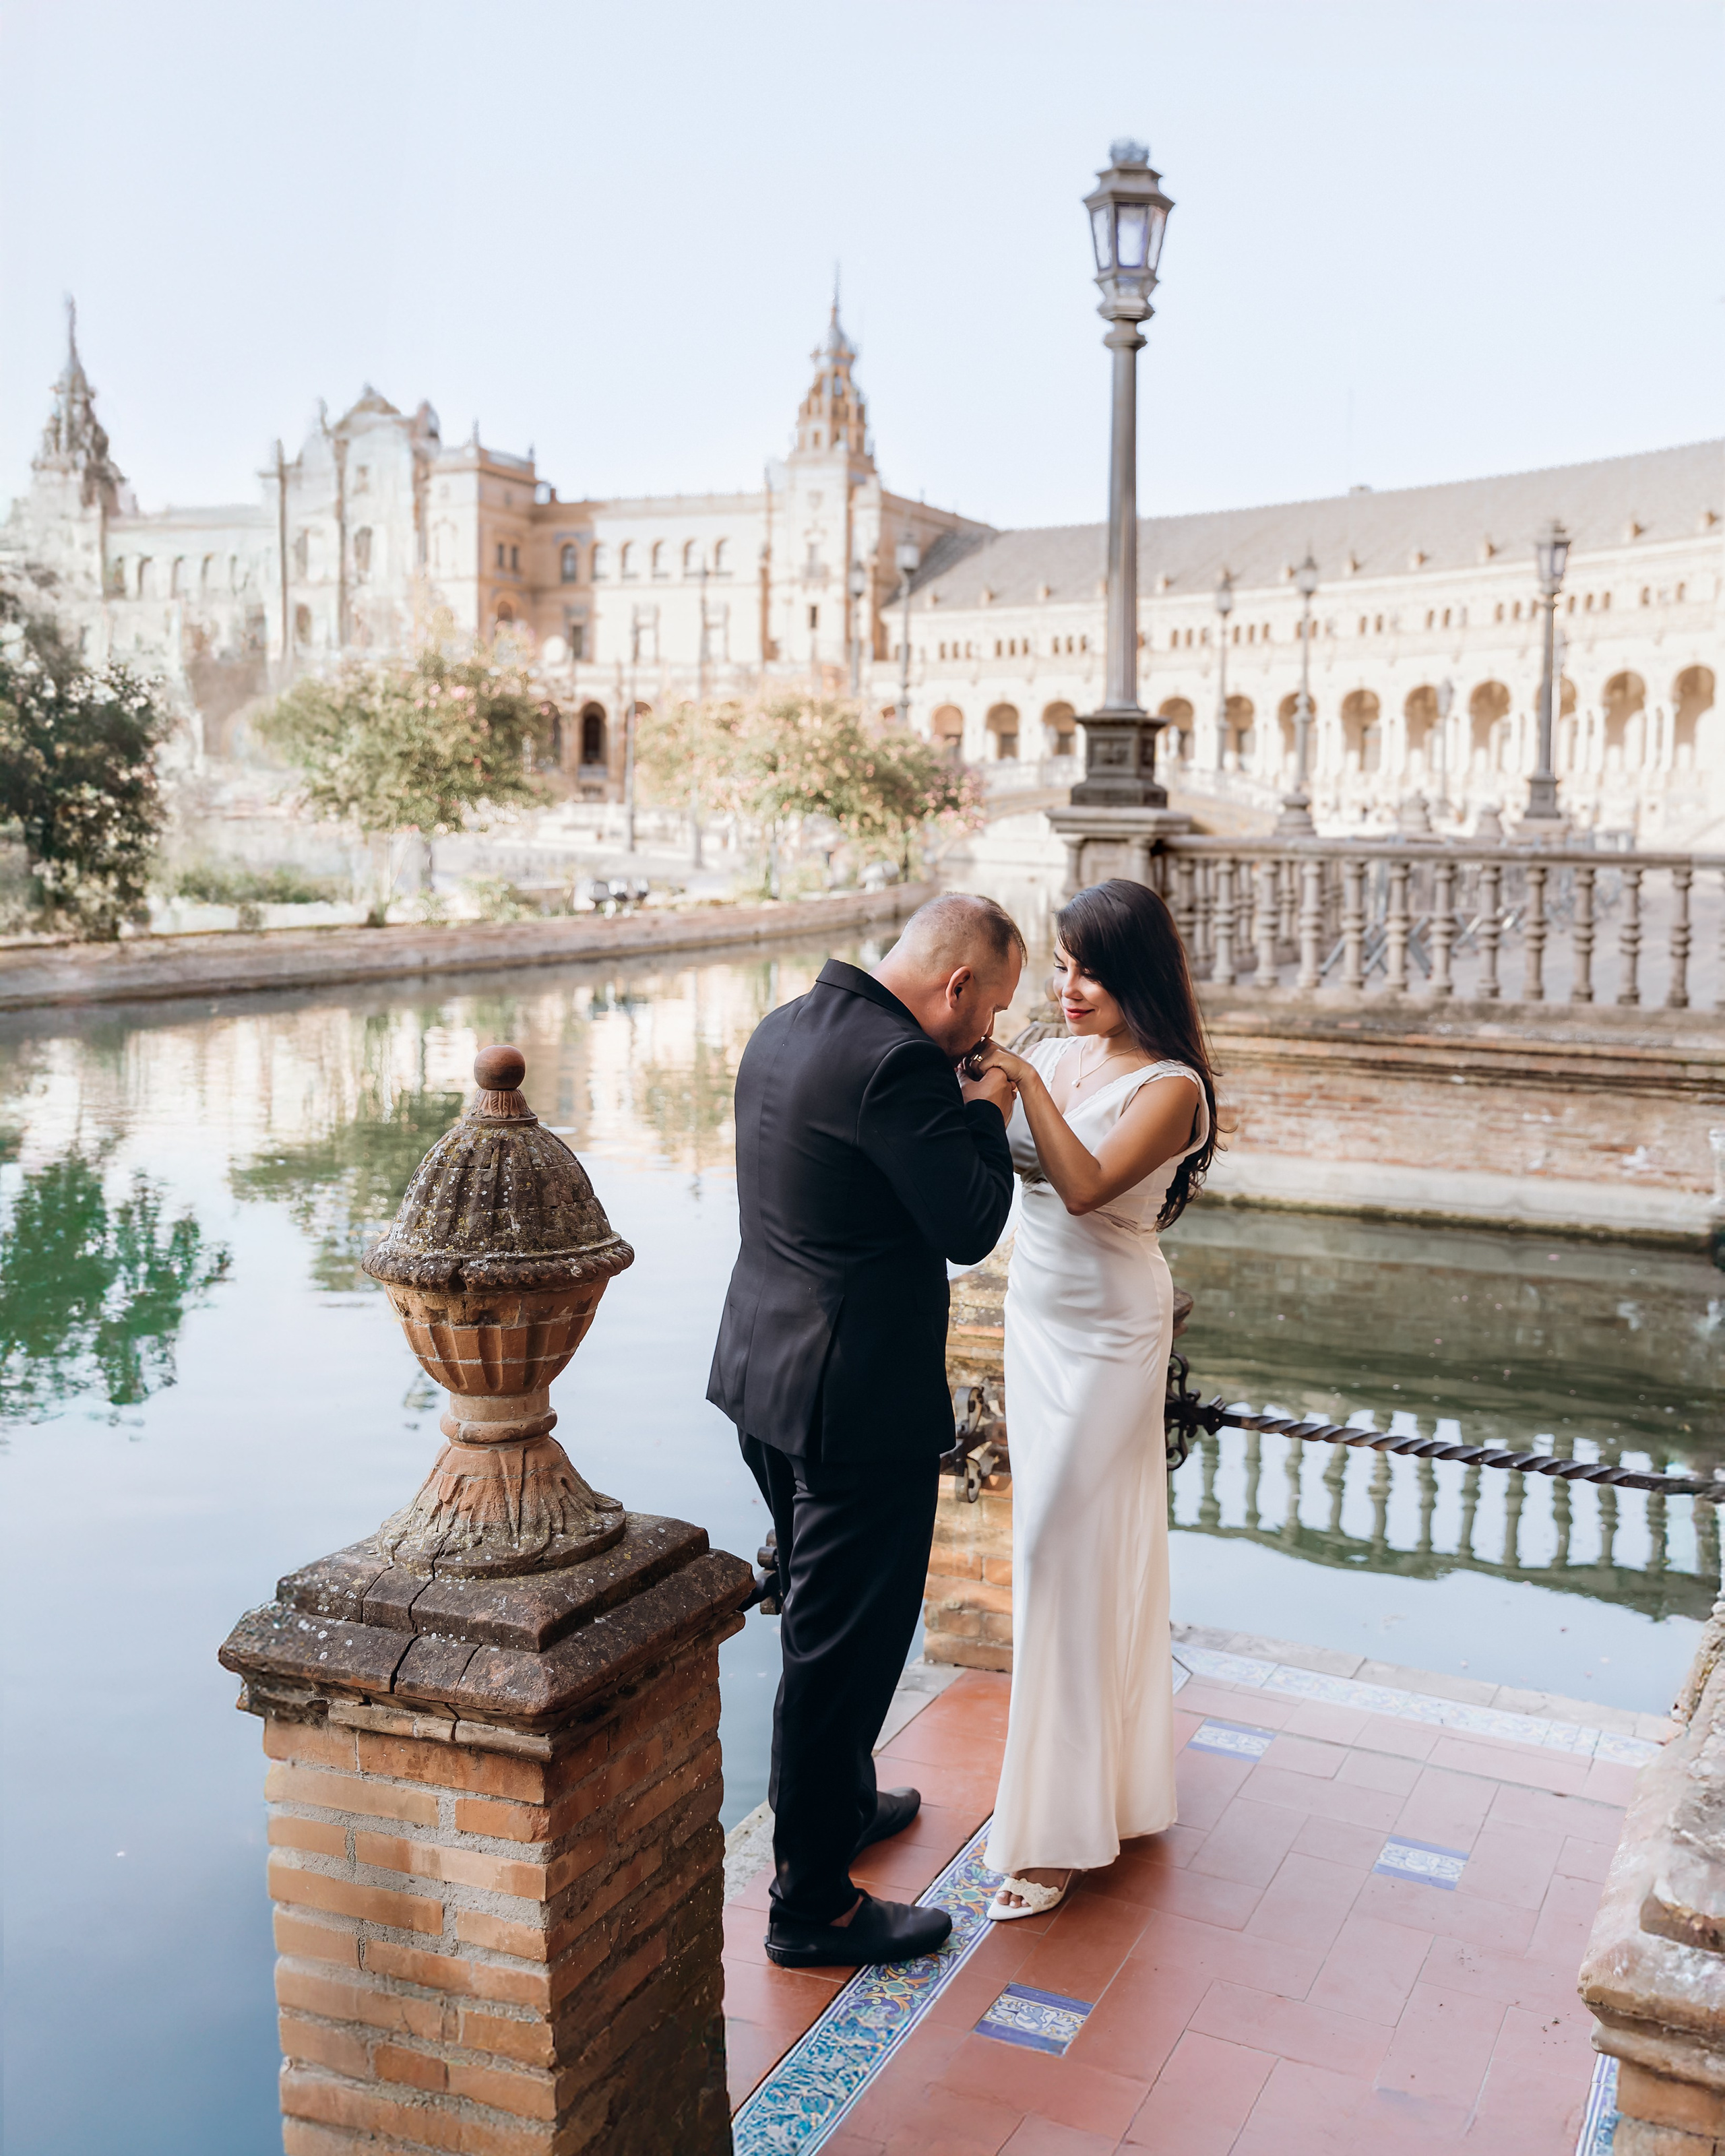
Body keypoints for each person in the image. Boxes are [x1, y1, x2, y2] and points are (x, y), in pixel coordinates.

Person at [709, 892, 1023, 1967]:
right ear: (959, 987)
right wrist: (986, 1111)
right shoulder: (897, 1063)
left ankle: (838, 1809)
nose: (988, 1036)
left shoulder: (786, 1024)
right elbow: (971, 1221)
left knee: (822, 1621)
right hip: (853, 1405)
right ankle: (813, 1907)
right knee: (840, 1652)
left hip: (764, 1377)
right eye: (991, 1012)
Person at [973, 878, 1219, 1920]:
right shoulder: (1063, 1053)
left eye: (1088, 968)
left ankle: (1058, 1831)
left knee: (1054, 1551)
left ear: (1139, 972)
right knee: (1069, 1548)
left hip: (1114, 1330)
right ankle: (1101, 1790)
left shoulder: (1173, 1088)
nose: (1068, 988)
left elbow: (1083, 1186)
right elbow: (981, 1145)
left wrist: (1022, 1083)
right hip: (1036, 1315)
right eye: (1061, 966)